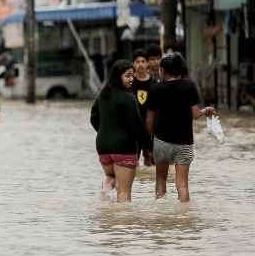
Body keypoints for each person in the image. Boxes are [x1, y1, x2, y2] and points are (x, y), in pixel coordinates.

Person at [146, 54, 216, 202]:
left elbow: (149, 120)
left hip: (161, 141)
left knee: (160, 180)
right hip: (184, 142)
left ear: (162, 71)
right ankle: (184, 219)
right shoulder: (189, 86)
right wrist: (206, 111)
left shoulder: (155, 88)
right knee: (183, 184)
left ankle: (161, 214)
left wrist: (148, 143)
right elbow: (196, 115)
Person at [90, 60, 153, 203]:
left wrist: (105, 132)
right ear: (118, 76)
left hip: (103, 147)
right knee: (123, 191)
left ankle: (102, 195)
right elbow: (137, 127)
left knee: (112, 177)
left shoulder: (102, 94)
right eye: (128, 76)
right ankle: (123, 224)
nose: (131, 79)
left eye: (132, 75)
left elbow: (93, 118)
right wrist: (150, 146)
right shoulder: (128, 98)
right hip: (124, 147)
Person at [131, 49, 158, 166]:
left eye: (143, 61)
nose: (140, 64)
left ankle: (147, 183)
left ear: (147, 63)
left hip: (150, 126)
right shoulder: (130, 81)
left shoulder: (154, 82)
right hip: (134, 127)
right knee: (134, 162)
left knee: (150, 161)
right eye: (137, 62)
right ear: (133, 64)